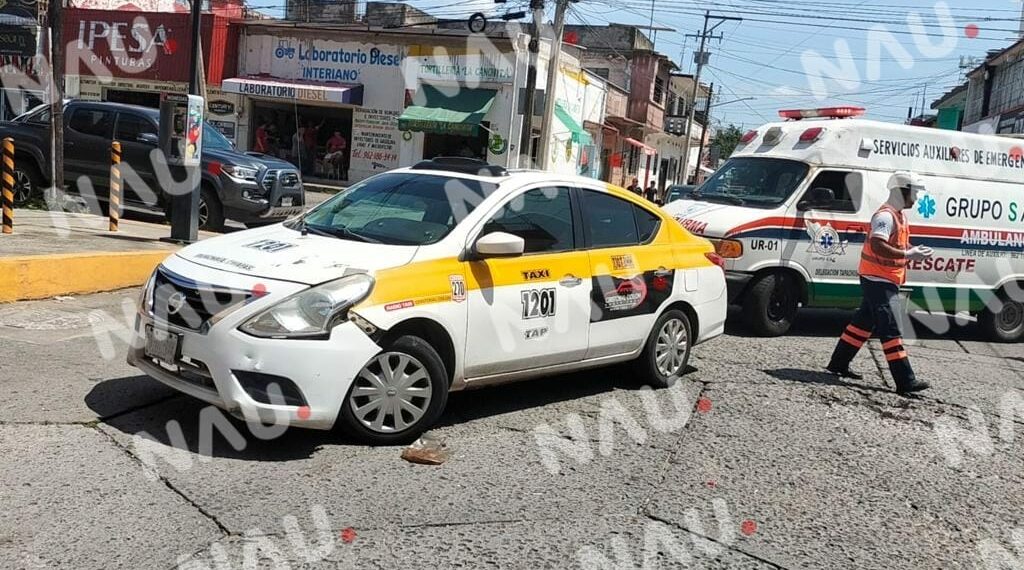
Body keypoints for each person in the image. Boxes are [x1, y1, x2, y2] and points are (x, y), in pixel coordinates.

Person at [825, 171, 933, 394]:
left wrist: (912, 250)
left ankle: (838, 363)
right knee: (891, 328)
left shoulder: (899, 215)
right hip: (878, 279)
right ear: (901, 191)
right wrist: (908, 255)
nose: (916, 198)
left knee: (862, 324)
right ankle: (905, 381)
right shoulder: (885, 216)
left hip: (882, 278)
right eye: (914, 193)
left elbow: (895, 243)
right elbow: (877, 245)